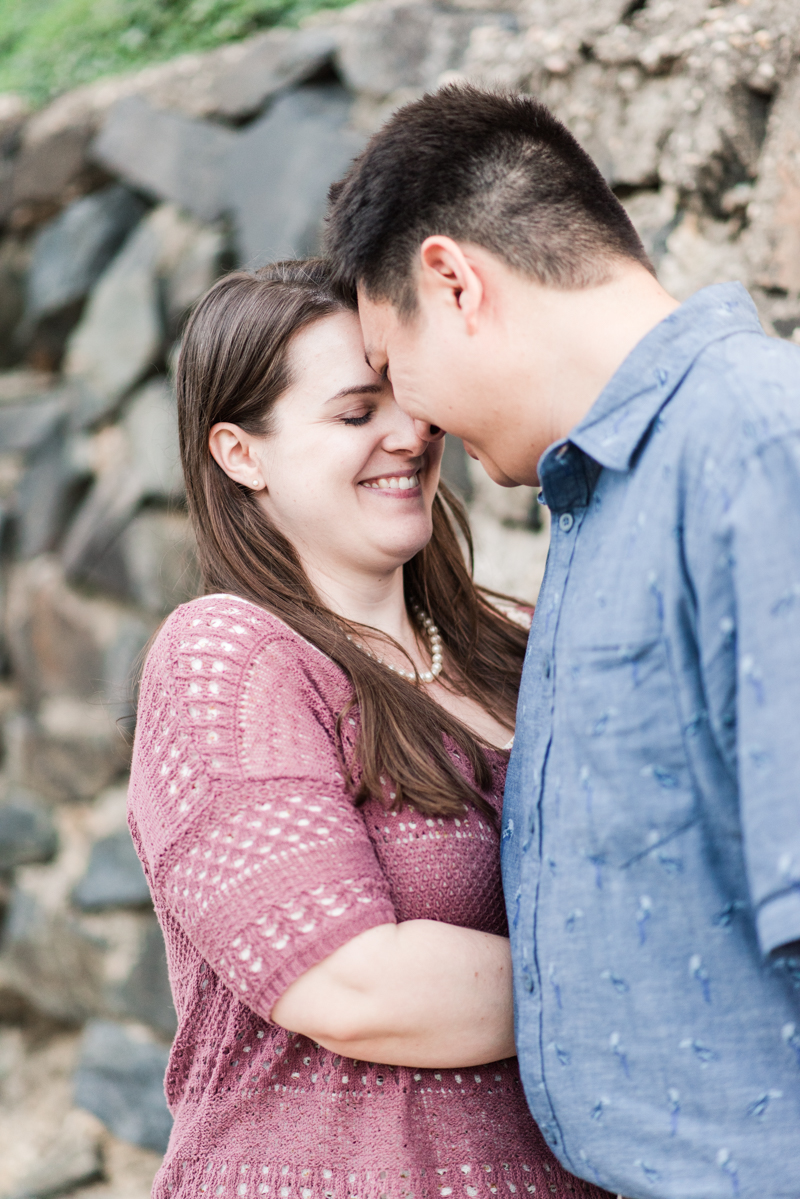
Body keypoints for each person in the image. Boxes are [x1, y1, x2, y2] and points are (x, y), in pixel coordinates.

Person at [324, 86, 800, 1199]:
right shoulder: (609, 491)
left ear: (454, 280)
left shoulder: (749, 441)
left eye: (396, 371)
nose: (416, 422)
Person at [128, 258, 611, 1199]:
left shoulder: (518, 651)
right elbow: (351, 985)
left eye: (408, 398)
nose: (409, 434)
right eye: (356, 413)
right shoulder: (229, 656)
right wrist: (635, 973)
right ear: (241, 453)